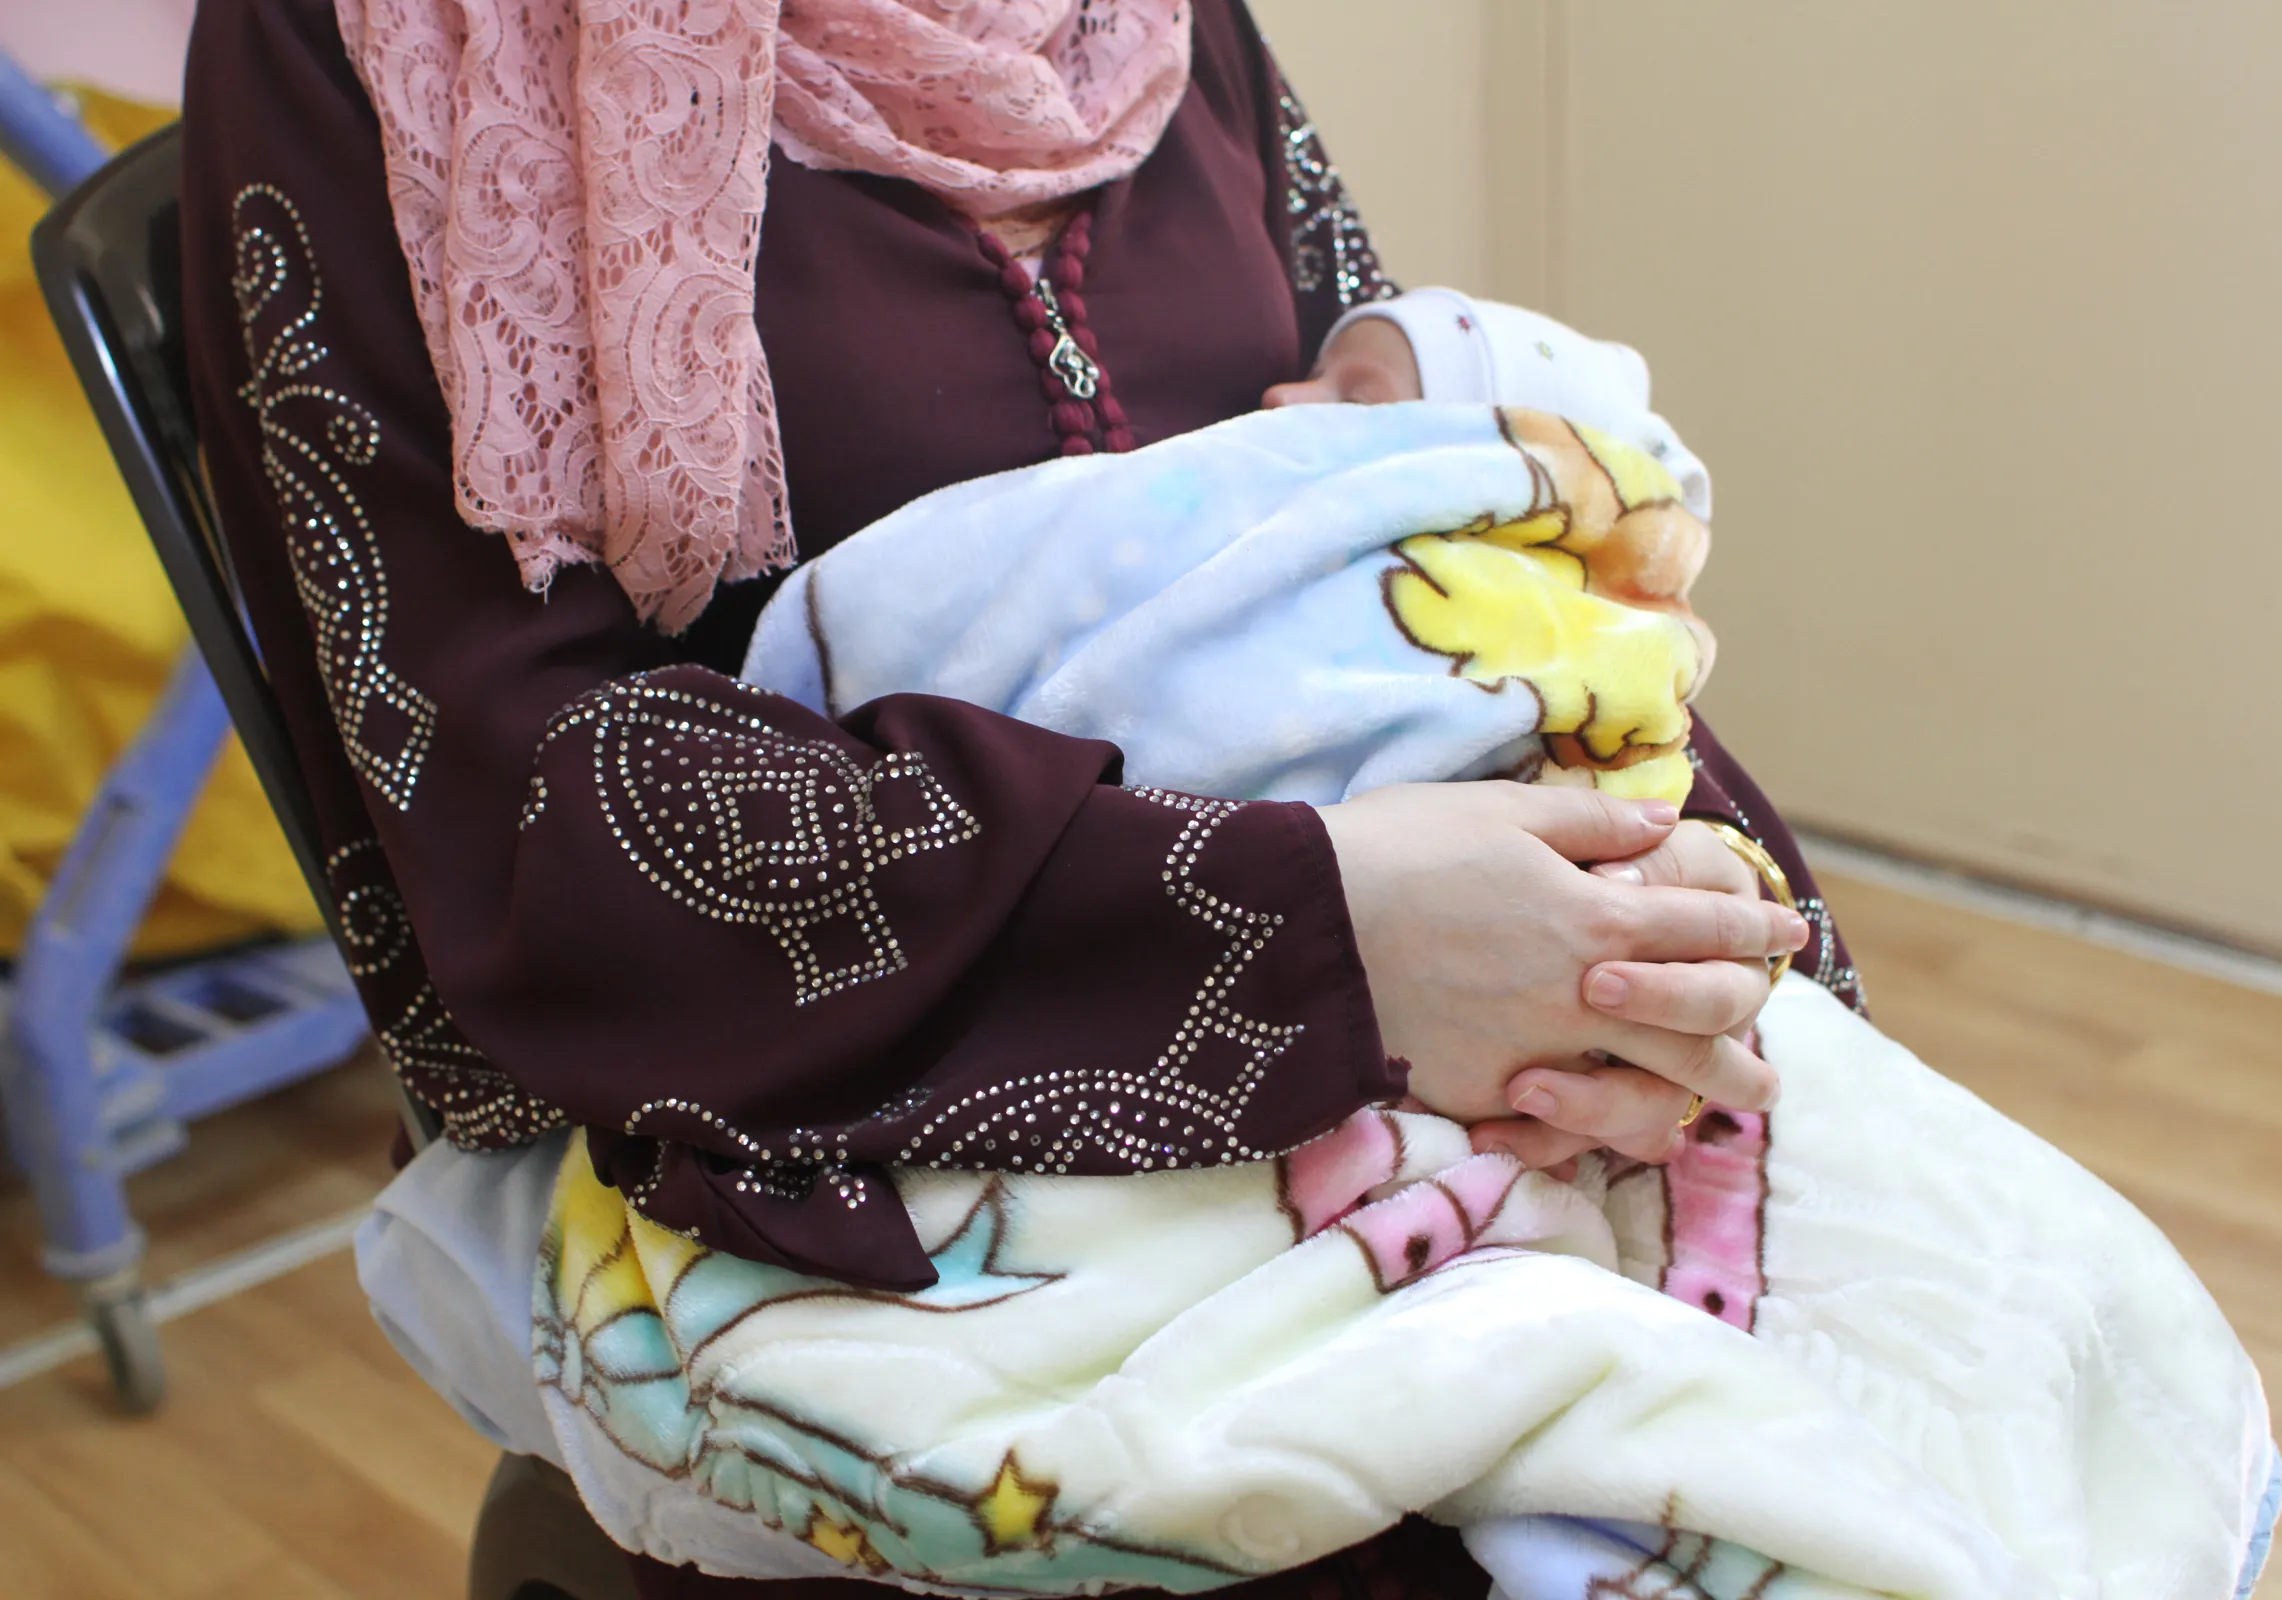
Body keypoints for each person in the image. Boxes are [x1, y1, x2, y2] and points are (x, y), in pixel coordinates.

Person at [177, 2, 1857, 1594]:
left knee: (1911, 1347)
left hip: (1416, 1012)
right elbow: (519, 827)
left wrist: (1652, 913)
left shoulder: (1155, 28)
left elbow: (1437, 504)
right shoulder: (391, 44)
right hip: (823, 1143)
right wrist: (1322, 934)